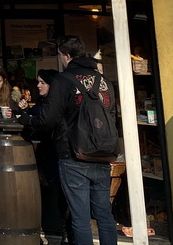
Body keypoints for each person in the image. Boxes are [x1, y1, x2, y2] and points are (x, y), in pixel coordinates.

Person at [18, 36, 118, 245]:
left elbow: (47, 120)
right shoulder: (105, 82)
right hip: (103, 155)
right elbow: (111, 115)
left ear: (66, 55)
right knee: (104, 216)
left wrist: (27, 120)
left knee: (80, 220)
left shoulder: (63, 81)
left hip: (73, 156)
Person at [27, 69, 73, 245]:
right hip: (49, 154)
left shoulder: (55, 104)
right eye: (38, 82)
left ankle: (67, 235)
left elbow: (43, 119)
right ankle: (63, 234)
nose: (38, 85)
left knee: (64, 196)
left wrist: (27, 117)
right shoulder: (43, 102)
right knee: (57, 195)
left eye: (42, 82)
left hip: (58, 154)